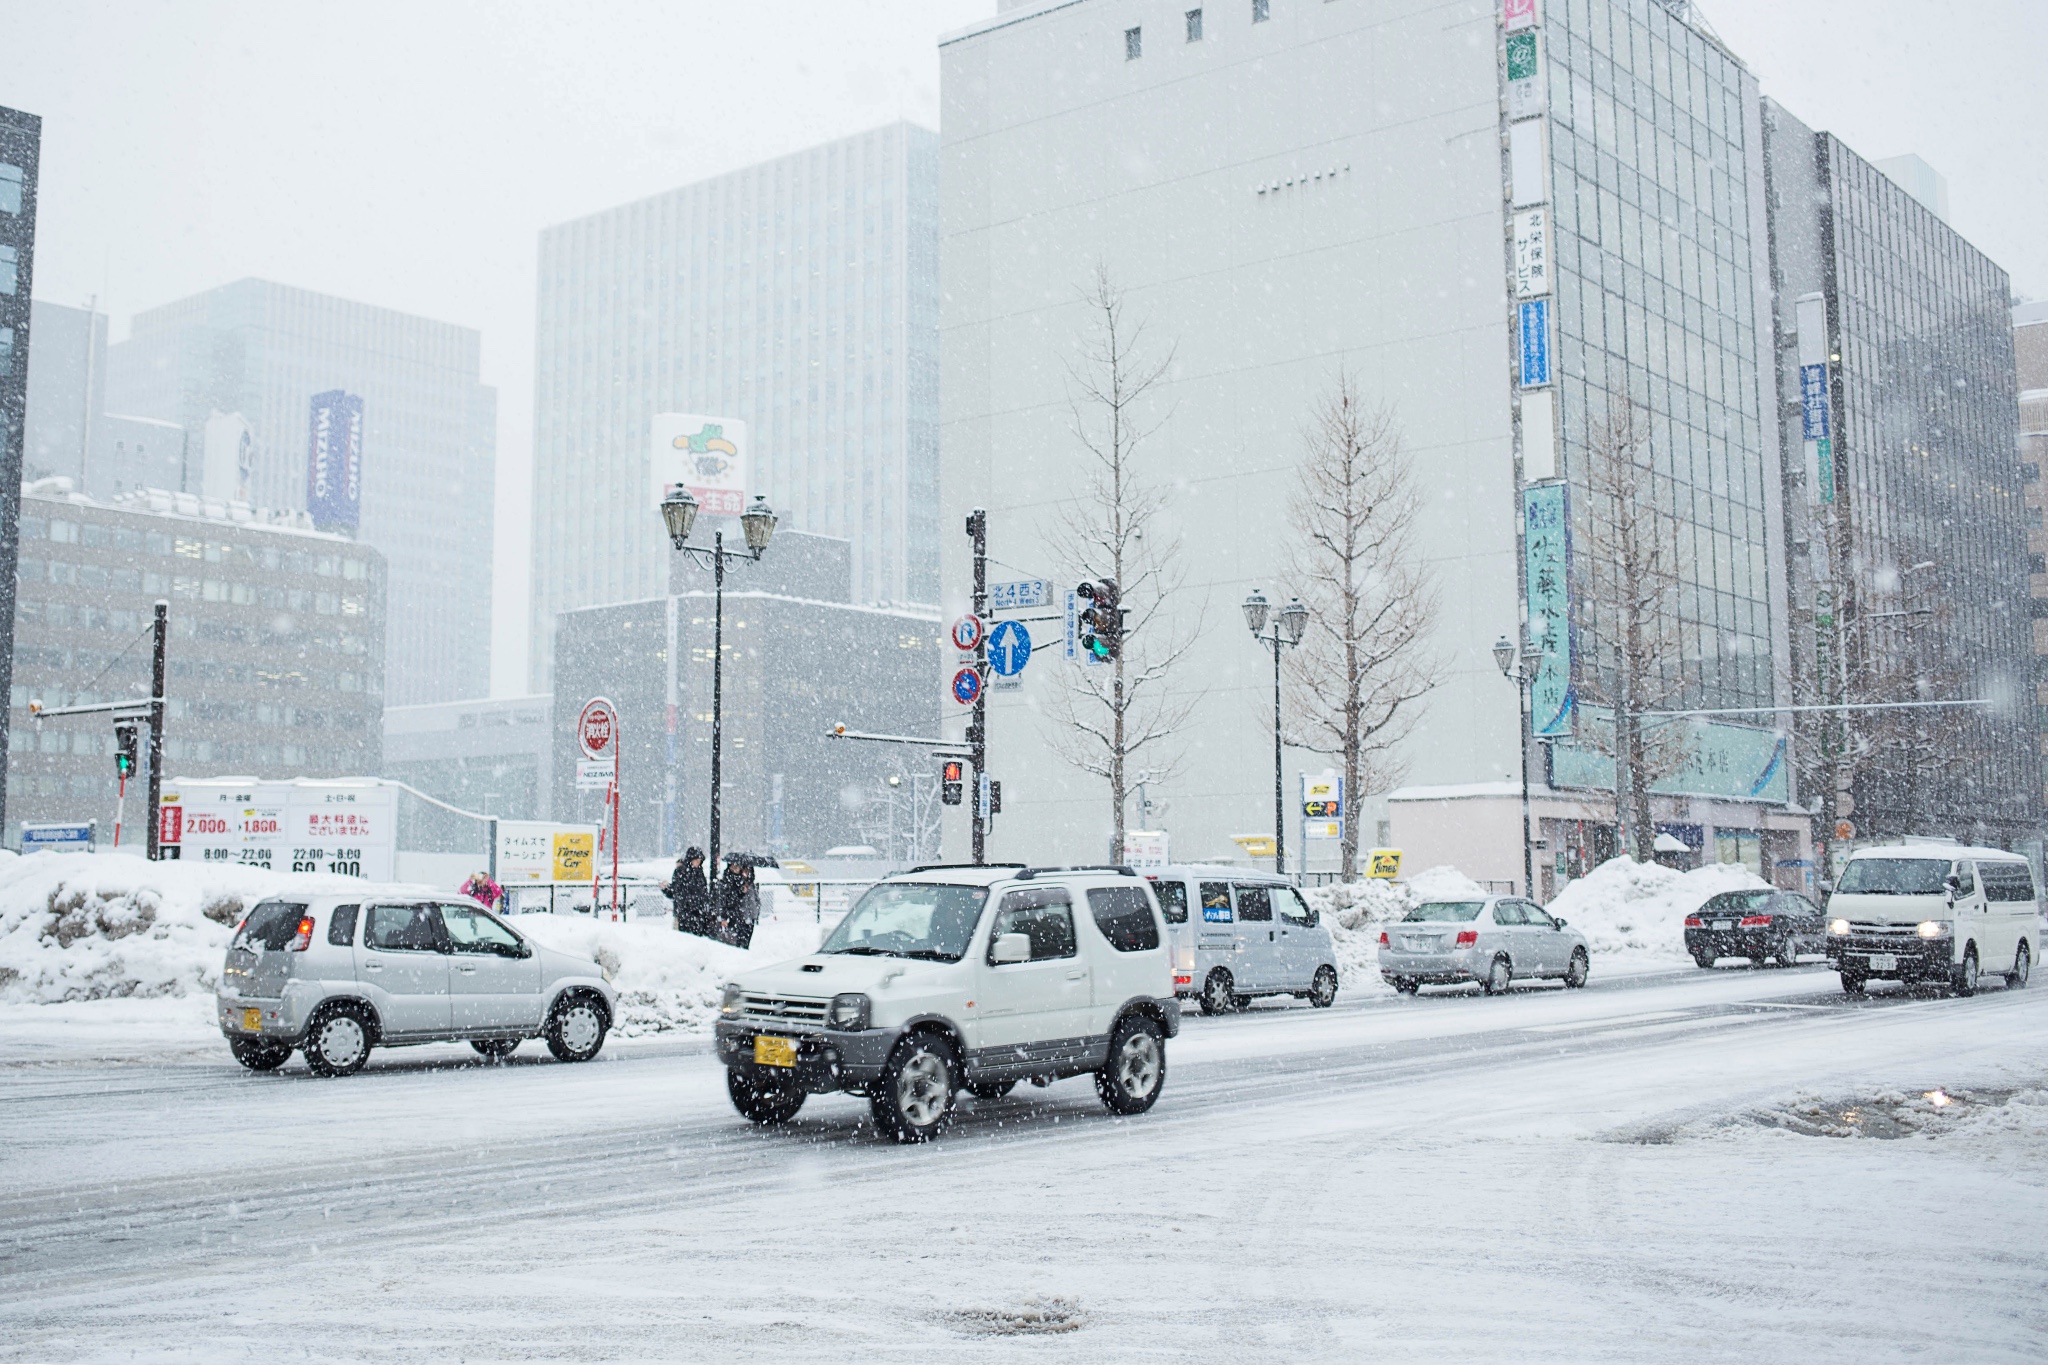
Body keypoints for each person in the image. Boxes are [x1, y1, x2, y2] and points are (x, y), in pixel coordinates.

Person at [718, 857, 761, 949]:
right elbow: (728, 899)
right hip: (738, 915)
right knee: (737, 942)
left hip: (749, 915)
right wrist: (741, 891)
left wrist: (756, 910)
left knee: (745, 941)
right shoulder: (733, 881)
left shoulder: (750, 884)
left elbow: (755, 899)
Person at [666, 848, 711, 937]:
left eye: (699, 861)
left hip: (697, 912)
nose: (698, 863)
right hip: (685, 912)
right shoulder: (681, 872)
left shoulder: (699, 872)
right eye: (696, 860)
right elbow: (677, 891)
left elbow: (703, 891)